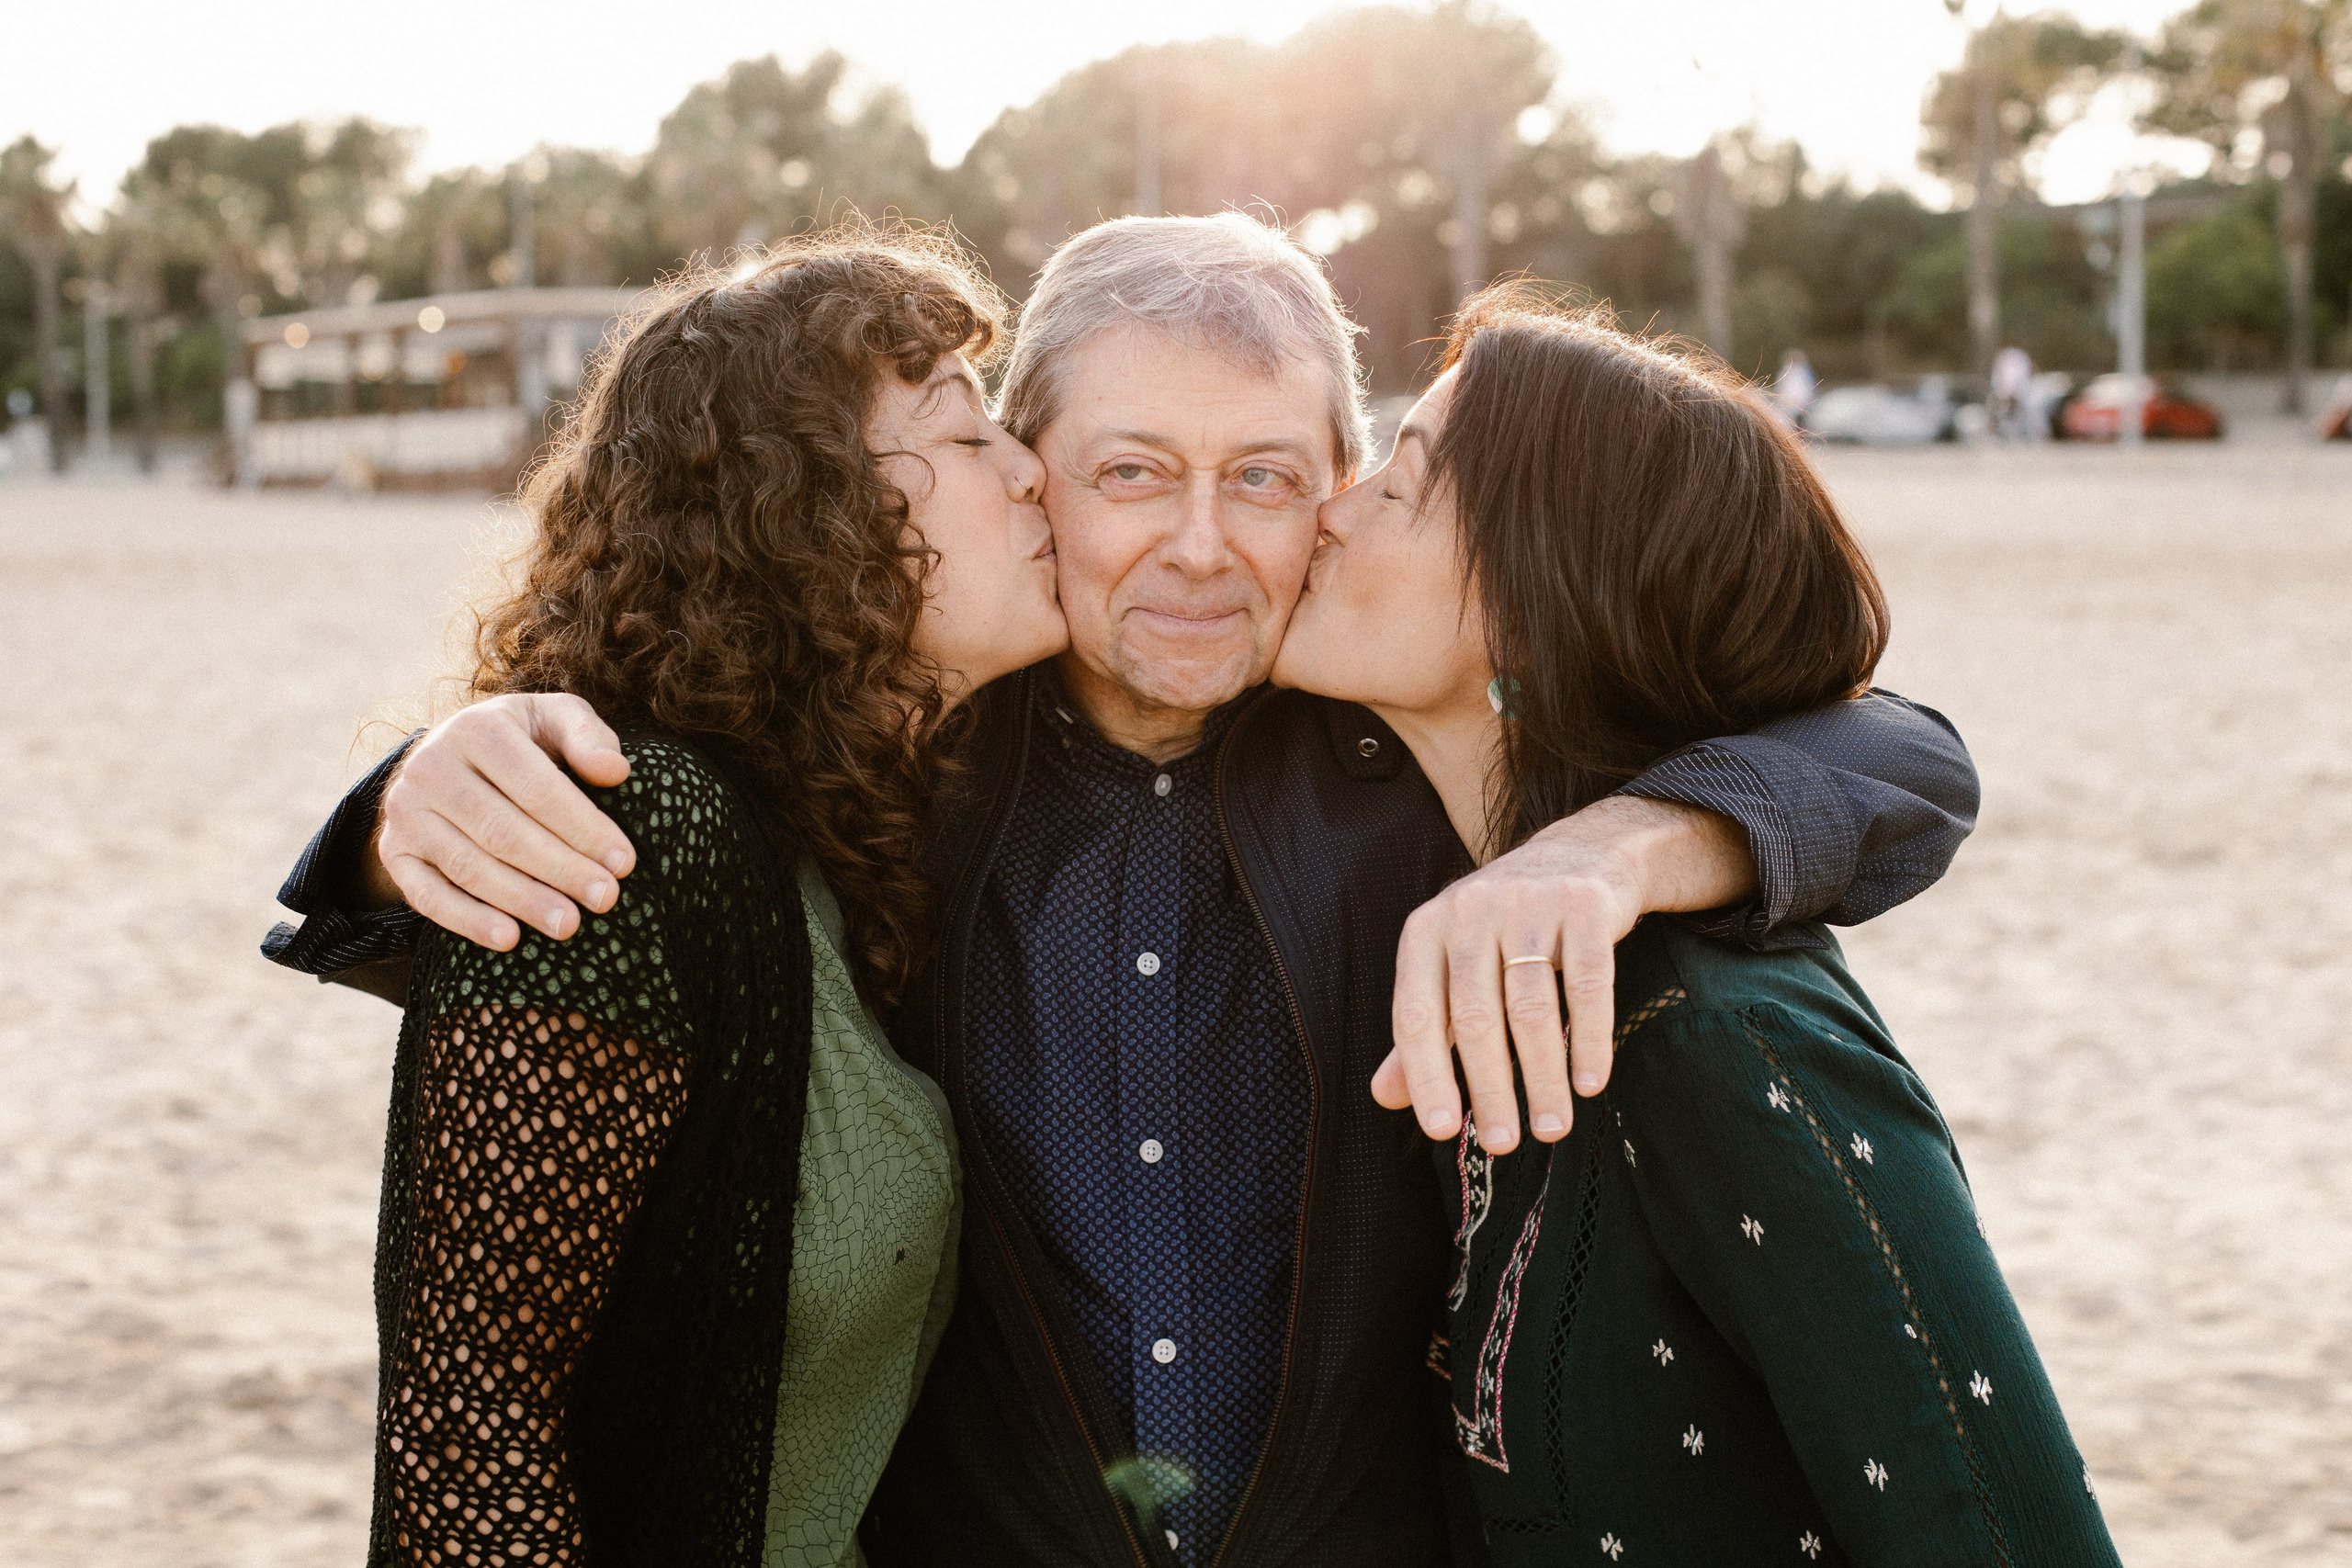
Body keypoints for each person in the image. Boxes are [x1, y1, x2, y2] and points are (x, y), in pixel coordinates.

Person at [267, 216, 1980, 1565]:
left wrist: (1629, 840)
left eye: (1267, 479)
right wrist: (414, 785)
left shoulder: (1423, 759)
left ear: (1349, 494)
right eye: (1133, 471)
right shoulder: (897, 768)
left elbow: (1893, 753)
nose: (1201, 548)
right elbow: (675, 730)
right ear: (1028, 477)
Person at [1273, 288, 2116, 1564]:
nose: (1328, 512)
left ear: (1537, 599)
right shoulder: (1433, 904)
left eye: (1401, 483)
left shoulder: (1721, 1038)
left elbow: (2007, 1533)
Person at [322, 229, 1068, 1567]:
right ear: (811, 510)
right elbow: (468, 1429)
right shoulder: (627, 832)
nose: (1032, 477)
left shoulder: (855, 834)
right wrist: (395, 811)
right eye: (969, 441)